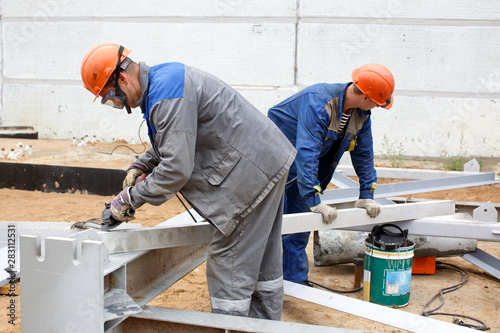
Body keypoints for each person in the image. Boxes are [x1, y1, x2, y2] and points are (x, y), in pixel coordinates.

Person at [80, 43, 296, 319]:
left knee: (228, 263)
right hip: (266, 161)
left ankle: (232, 324)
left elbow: (175, 169)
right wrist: (142, 164)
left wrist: (131, 198)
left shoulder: (165, 97)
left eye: (112, 97)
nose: (120, 105)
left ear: (122, 79)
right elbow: (175, 137)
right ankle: (266, 324)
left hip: (250, 175)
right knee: (263, 257)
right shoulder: (165, 81)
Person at [267, 63, 395, 285]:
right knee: (265, 224)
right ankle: (259, 282)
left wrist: (367, 194)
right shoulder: (318, 102)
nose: (376, 107)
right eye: (376, 103)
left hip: (300, 165)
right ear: (365, 96)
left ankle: (294, 282)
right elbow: (307, 152)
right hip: (272, 159)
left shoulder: (361, 114)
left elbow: (364, 154)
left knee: (298, 225)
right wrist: (314, 199)